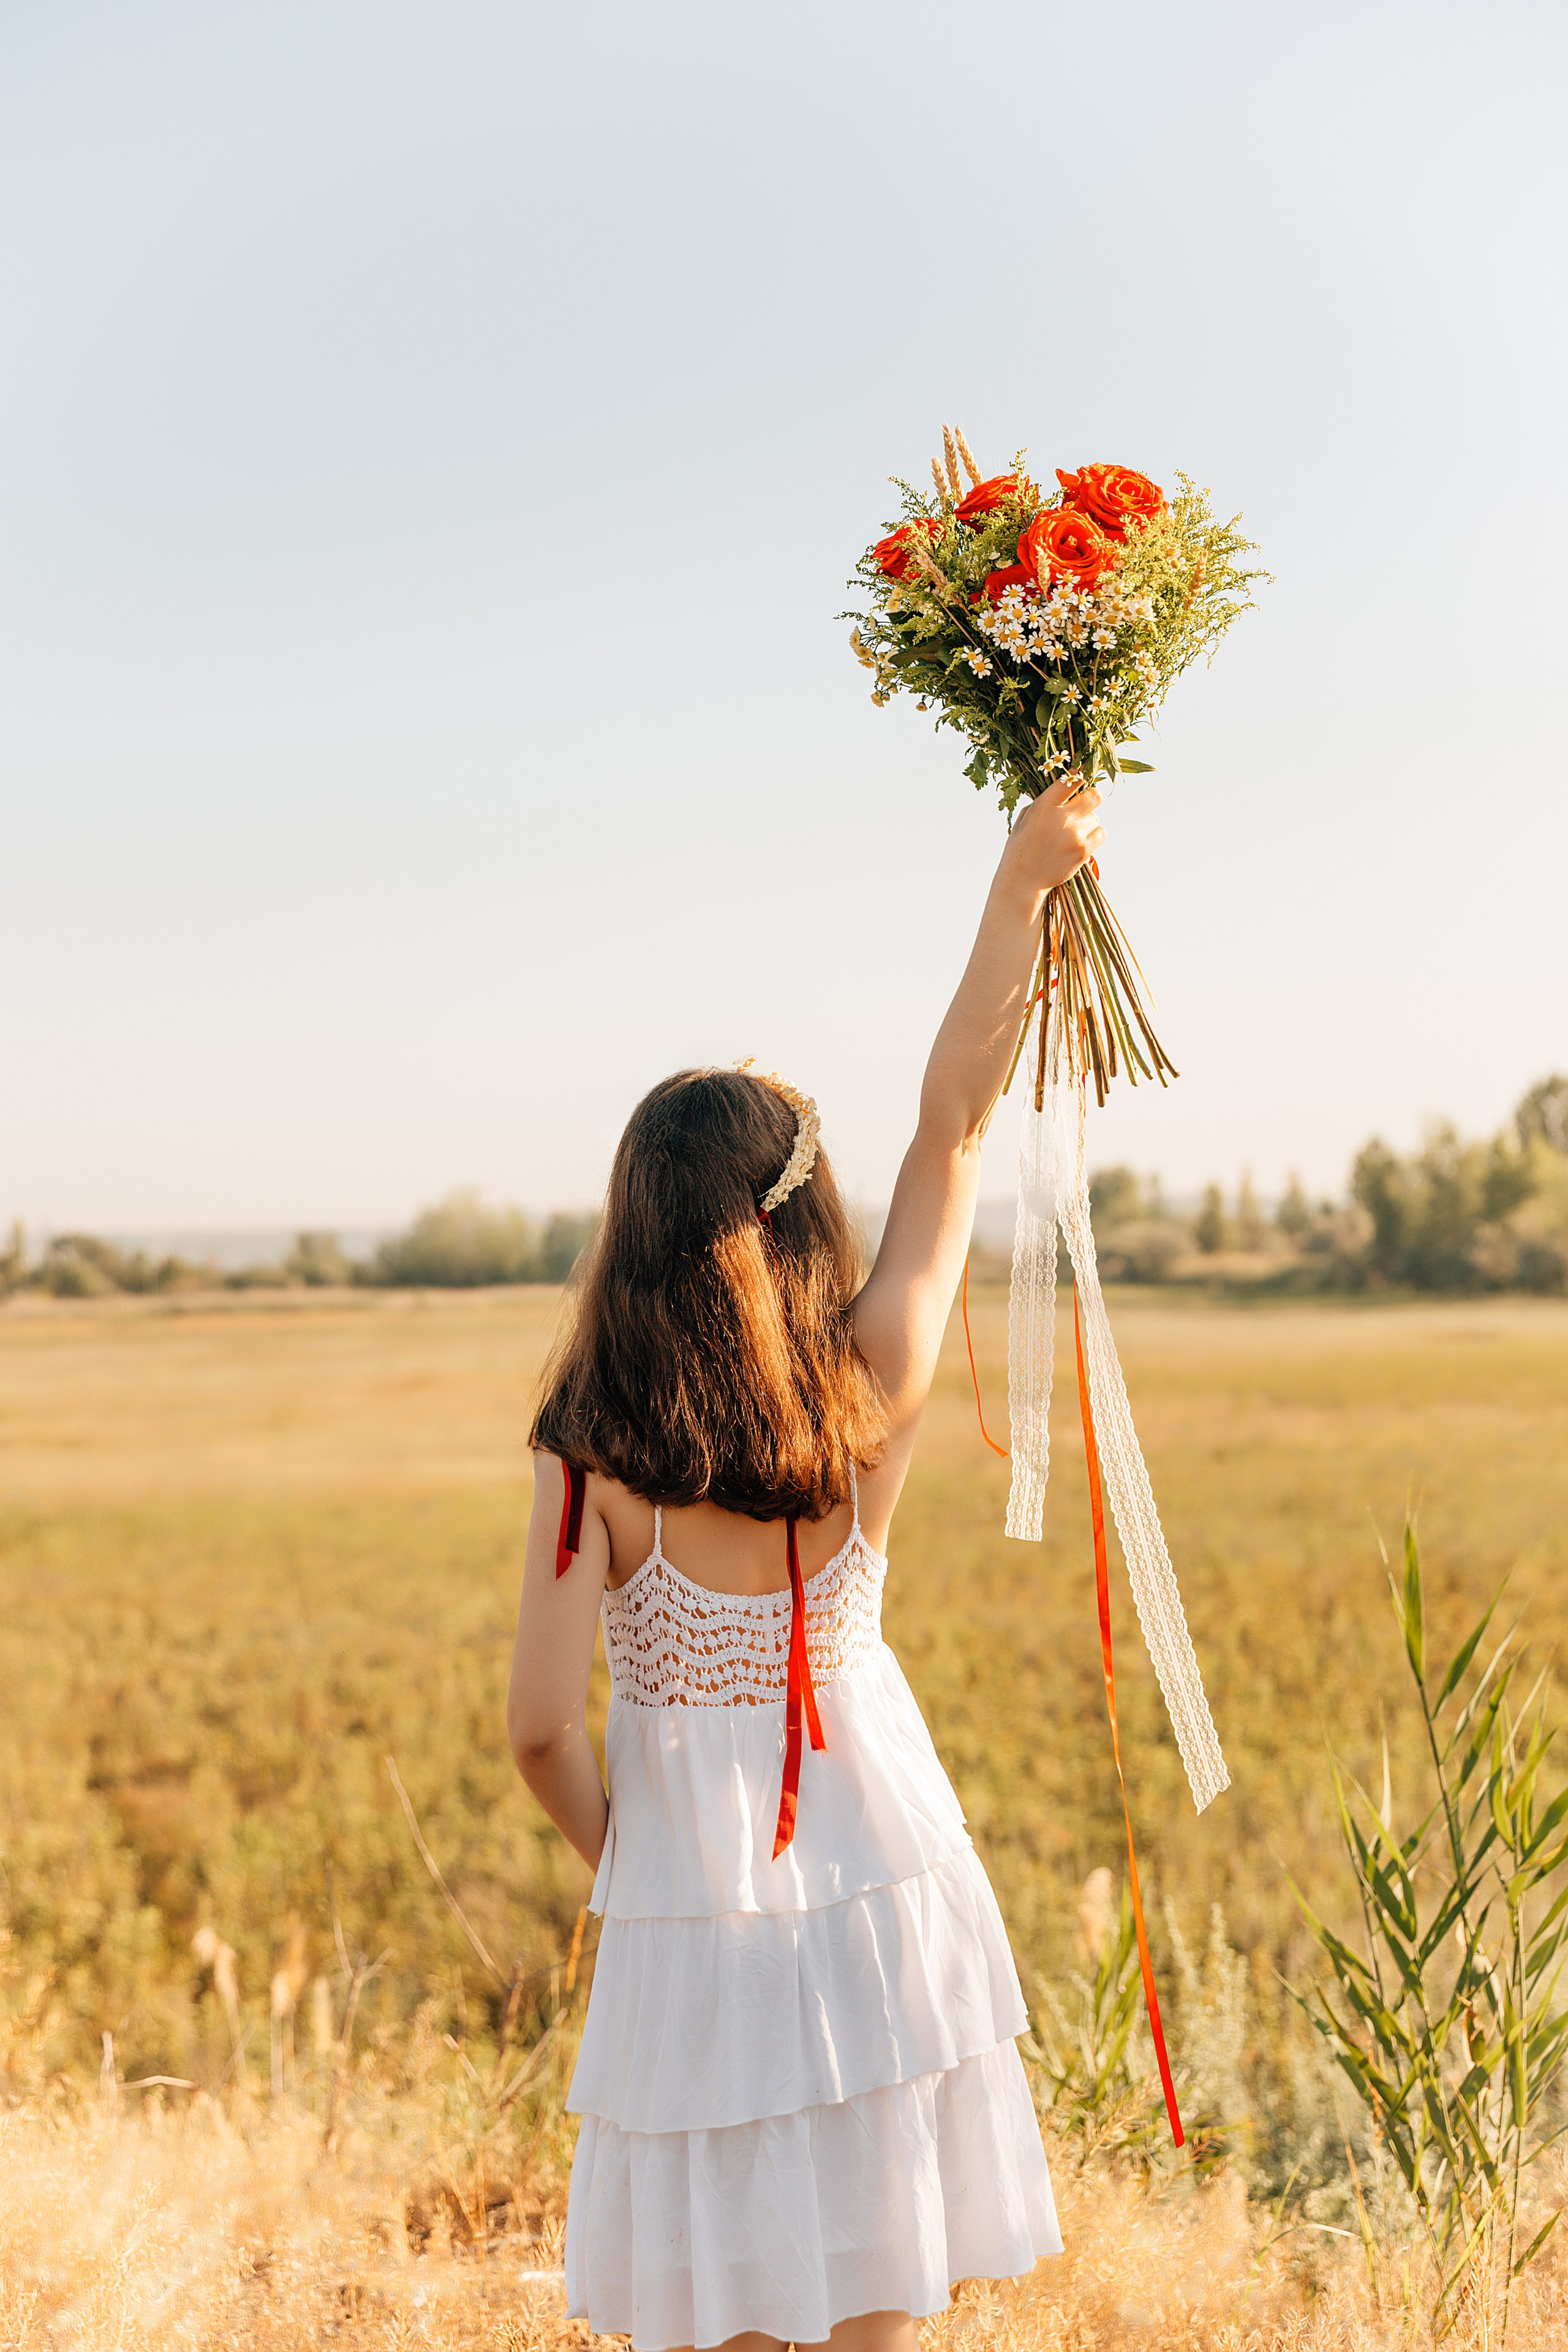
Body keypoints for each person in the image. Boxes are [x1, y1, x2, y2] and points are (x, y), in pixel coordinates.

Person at [508, 774, 1106, 2352]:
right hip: (879, 1879)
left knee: (722, 2289)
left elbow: (536, 1729)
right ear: (798, 1218)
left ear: (634, 1232)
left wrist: (639, 1867)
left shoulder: (592, 1457)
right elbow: (956, 1122)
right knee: (874, 2278)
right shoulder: (871, 1386)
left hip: (691, 1903)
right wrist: (1021, 886)